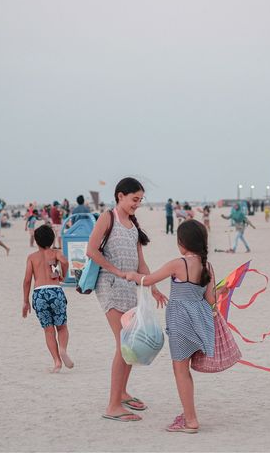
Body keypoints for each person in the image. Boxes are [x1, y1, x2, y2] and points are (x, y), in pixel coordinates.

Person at [86, 177, 168, 422]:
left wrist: (152, 286)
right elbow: (91, 250)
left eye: (140, 200)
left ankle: (121, 393)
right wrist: (116, 271)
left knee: (130, 343)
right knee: (124, 344)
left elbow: (140, 261)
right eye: (135, 199)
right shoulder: (107, 218)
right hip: (109, 286)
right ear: (120, 196)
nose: (137, 204)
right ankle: (113, 406)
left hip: (129, 287)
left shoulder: (132, 223)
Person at [126, 220, 215, 434]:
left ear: (183, 242)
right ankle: (188, 413)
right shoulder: (207, 266)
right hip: (200, 321)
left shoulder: (179, 263)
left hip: (181, 322)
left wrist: (130, 275)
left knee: (180, 370)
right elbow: (211, 299)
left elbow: (148, 280)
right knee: (184, 370)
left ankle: (191, 420)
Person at [22, 225, 72, 373]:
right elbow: (65, 262)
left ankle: (57, 361)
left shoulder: (32, 257)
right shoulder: (55, 253)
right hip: (55, 291)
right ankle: (63, 349)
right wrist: (62, 274)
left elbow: (26, 280)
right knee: (62, 327)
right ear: (51, 240)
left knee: (48, 330)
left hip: (39, 294)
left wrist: (25, 301)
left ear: (36, 241)